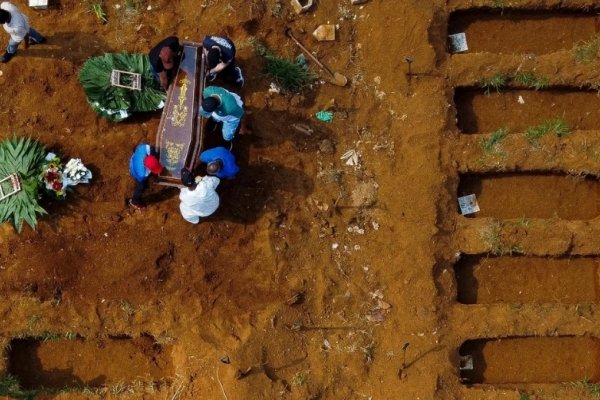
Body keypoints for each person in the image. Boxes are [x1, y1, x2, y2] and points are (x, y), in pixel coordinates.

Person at [129, 143, 163, 211]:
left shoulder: (145, 148)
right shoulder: (142, 174)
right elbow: (143, 177)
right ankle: (134, 201)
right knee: (140, 187)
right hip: (134, 168)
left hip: (137, 157)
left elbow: (147, 148)